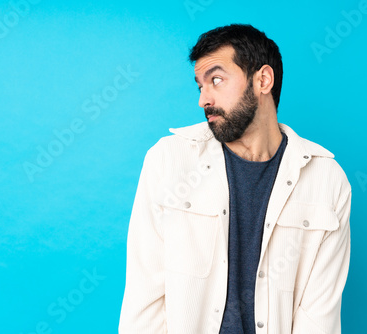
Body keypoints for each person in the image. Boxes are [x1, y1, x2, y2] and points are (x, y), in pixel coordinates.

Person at [118, 23, 352, 334]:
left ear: (263, 80)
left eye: (216, 80)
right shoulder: (169, 160)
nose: (203, 100)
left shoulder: (327, 180)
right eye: (200, 86)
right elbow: (144, 298)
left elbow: (319, 318)